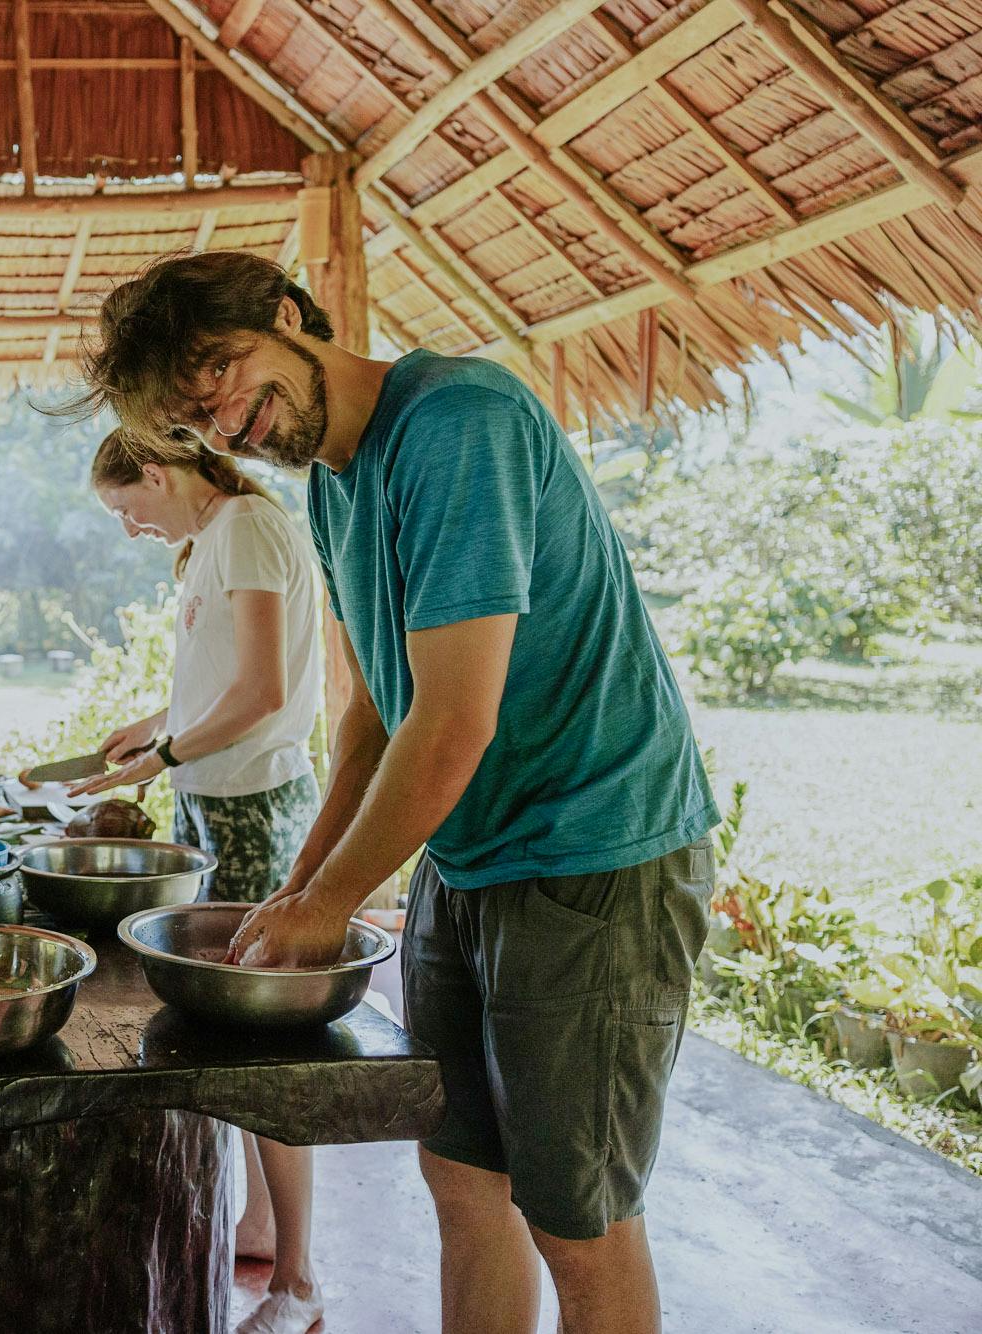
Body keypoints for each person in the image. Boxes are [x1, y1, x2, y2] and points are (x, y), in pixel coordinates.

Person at [68, 249, 719, 1334]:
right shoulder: (330, 484)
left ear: (287, 315)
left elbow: (455, 717)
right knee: (465, 1187)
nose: (225, 422)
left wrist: (326, 905)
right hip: (472, 861)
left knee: (580, 1223)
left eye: (222, 372)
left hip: (593, 856)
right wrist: (302, 881)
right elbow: (373, 708)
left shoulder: (456, 420)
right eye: (194, 417)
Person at [69, 428, 326, 1334]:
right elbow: (222, 681)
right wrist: (153, 727)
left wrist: (163, 754)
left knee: (264, 1040)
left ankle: (298, 1278)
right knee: (224, 1026)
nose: (129, 528)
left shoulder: (249, 525)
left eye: (125, 507)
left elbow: (261, 694)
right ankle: (260, 1220)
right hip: (214, 795)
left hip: (255, 802)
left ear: (157, 472)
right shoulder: (215, 536)